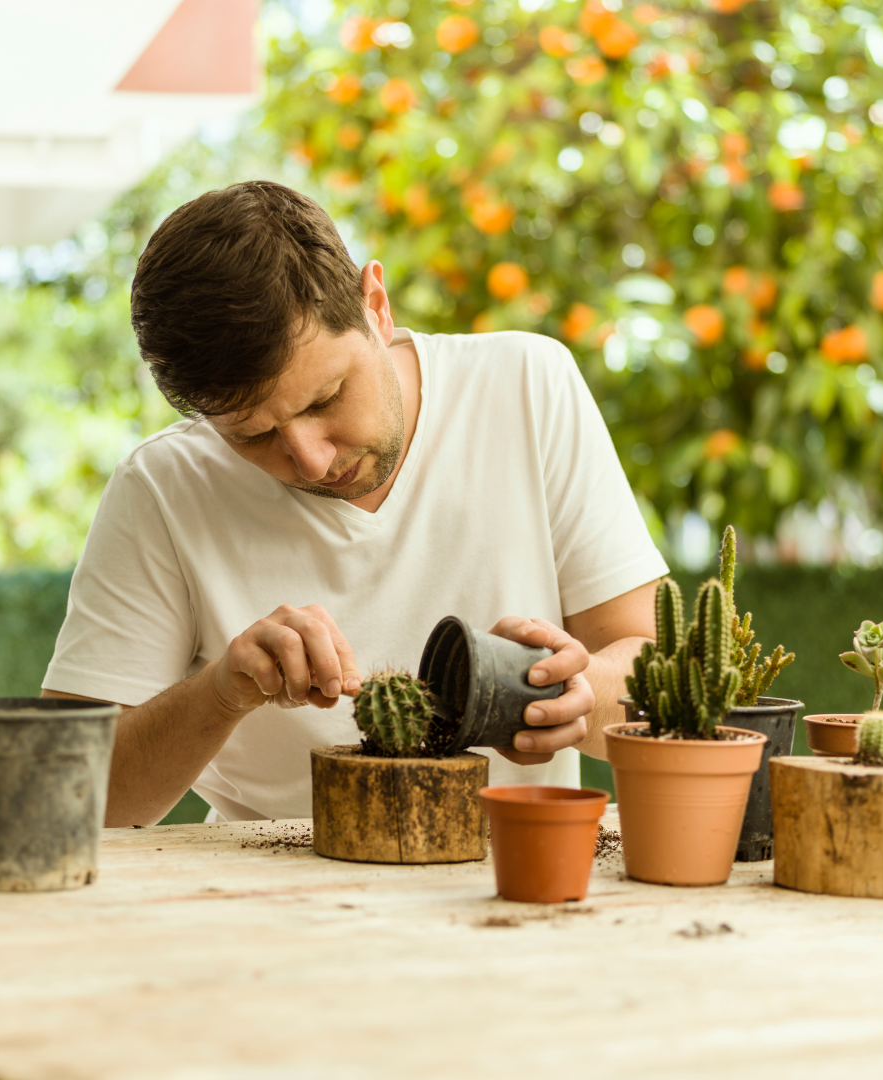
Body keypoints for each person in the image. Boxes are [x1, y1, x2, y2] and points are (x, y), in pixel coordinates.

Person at [42, 180, 667, 826]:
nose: (311, 459)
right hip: (265, 907)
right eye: (255, 436)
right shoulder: (163, 488)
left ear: (376, 305)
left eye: (325, 399)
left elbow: (652, 664)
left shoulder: (527, 386)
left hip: (517, 881)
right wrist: (221, 693)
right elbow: (72, 797)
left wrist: (582, 690)